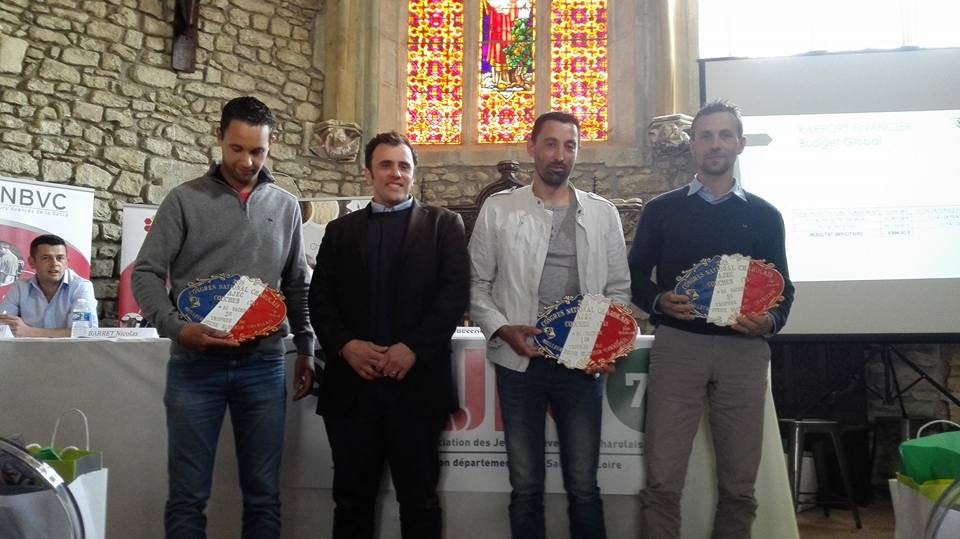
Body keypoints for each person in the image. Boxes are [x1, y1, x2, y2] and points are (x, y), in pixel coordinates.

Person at [132, 96, 315, 539]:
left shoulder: (287, 206)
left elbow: (297, 284)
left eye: (257, 151)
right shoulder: (183, 200)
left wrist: (307, 347)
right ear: (218, 138)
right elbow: (146, 273)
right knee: (187, 497)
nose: (247, 161)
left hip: (264, 364)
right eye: (237, 149)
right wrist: (178, 329)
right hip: (195, 367)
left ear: (271, 146)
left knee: (264, 497)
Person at [629, 100, 795, 539]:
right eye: (705, 136)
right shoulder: (661, 210)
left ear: (740, 144)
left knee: (739, 486)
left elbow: (784, 290)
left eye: (724, 135)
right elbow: (633, 275)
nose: (715, 144)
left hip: (744, 353)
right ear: (693, 146)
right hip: (678, 348)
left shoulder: (765, 215)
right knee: (663, 481)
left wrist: (770, 321)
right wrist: (659, 301)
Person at [469, 111, 631, 539]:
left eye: (570, 145)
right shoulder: (499, 209)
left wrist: (605, 346)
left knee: (583, 486)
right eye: (551, 143)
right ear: (532, 147)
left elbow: (618, 290)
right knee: (526, 487)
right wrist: (503, 329)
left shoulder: (602, 213)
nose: (561, 154)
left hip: (581, 364)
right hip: (520, 363)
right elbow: (476, 285)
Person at [309, 131, 470, 539]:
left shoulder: (444, 225)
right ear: (368, 174)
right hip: (352, 388)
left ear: (413, 173)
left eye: (404, 166)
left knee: (420, 502)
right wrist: (347, 346)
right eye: (386, 165)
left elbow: (454, 295)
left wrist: (413, 348)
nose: (396, 173)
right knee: (351, 503)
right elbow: (320, 299)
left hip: (416, 387)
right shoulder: (339, 231)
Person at [0, 234, 98, 337]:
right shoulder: (20, 287)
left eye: (60, 258)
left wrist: (29, 331)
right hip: (27, 347)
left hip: (68, 348)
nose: (54, 263)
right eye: (46, 258)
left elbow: (85, 333)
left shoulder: (81, 286)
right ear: (32, 262)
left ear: (67, 262)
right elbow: (3, 327)